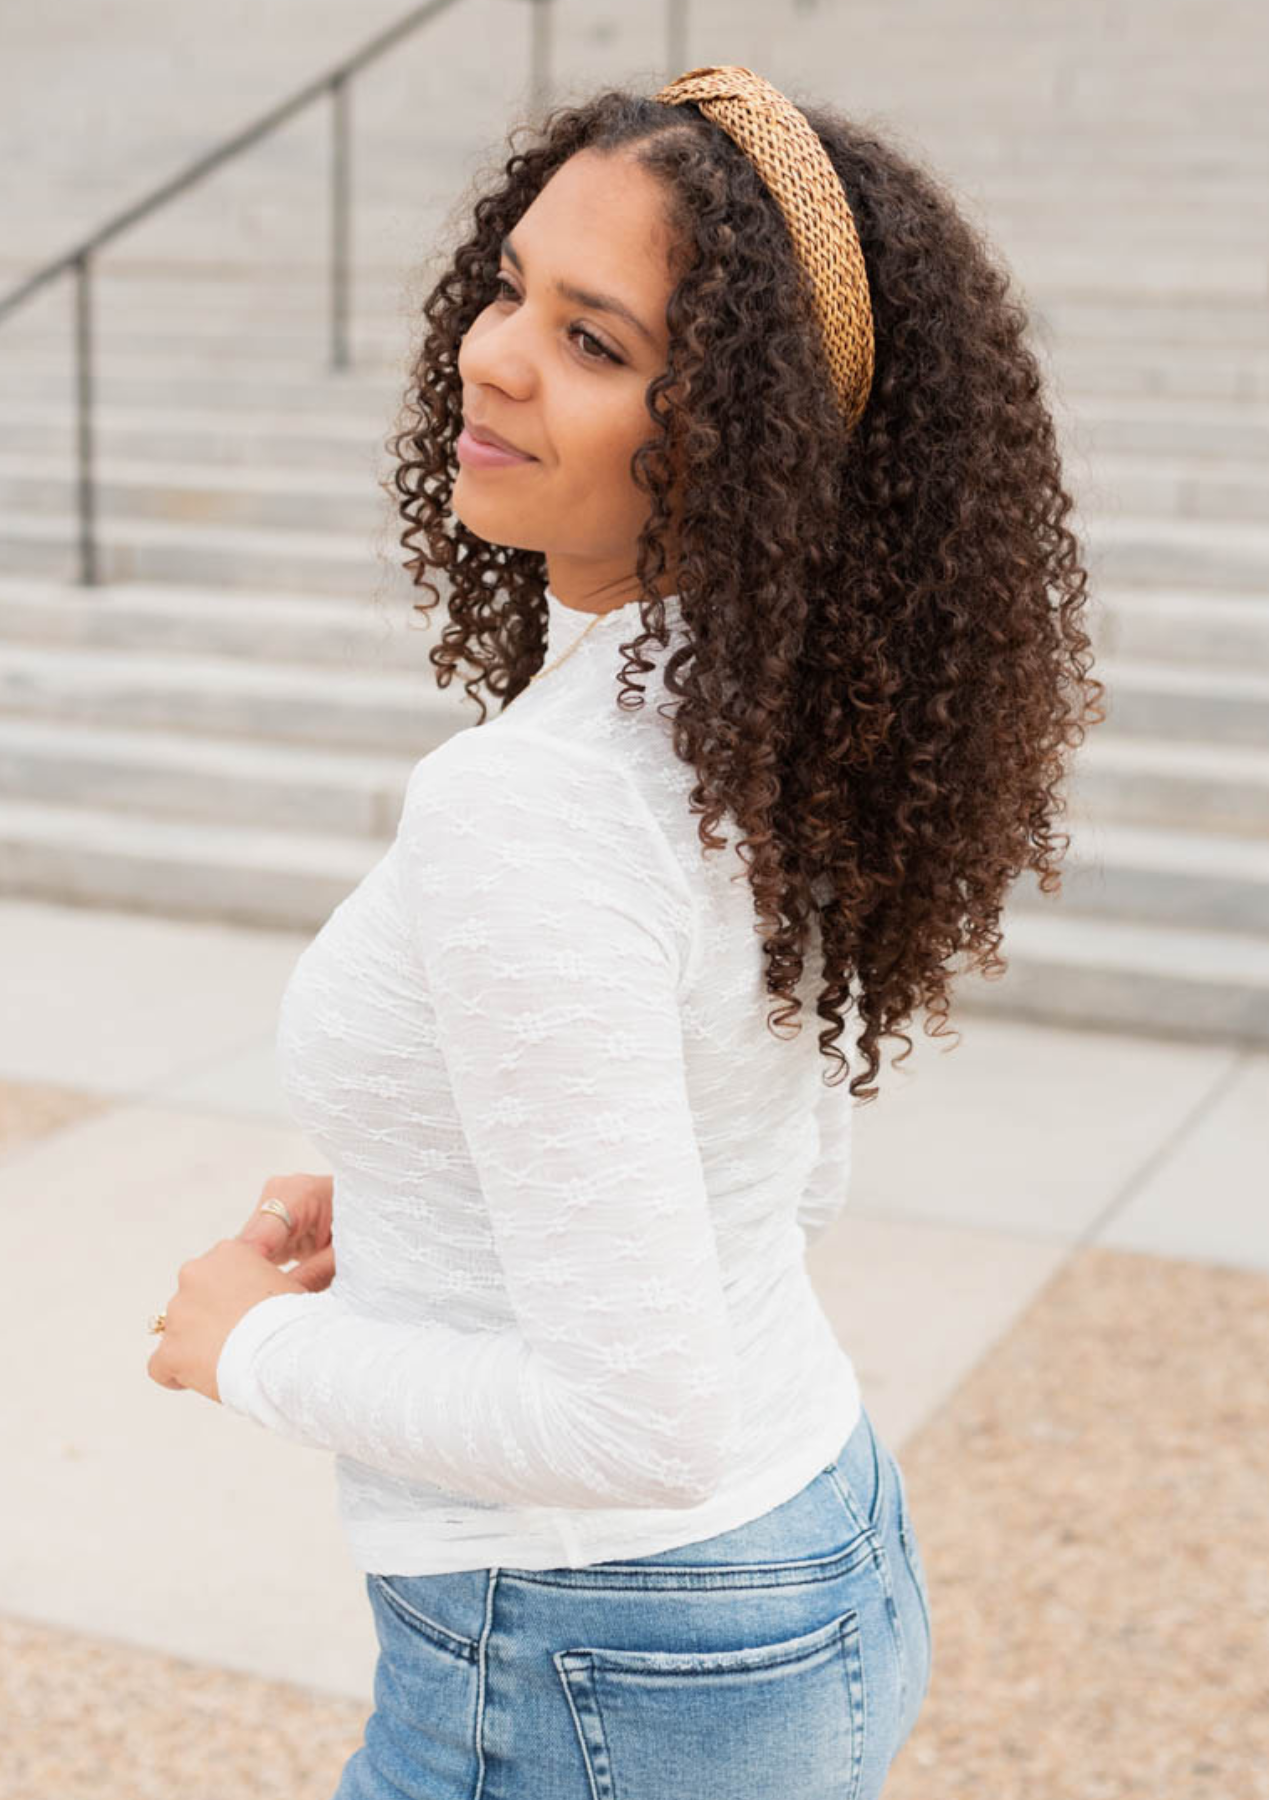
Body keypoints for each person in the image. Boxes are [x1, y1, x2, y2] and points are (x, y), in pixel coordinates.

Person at [146, 64, 1102, 1798]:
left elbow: (637, 1427)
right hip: (808, 1546)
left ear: (742, 438)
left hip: (602, 1652)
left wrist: (250, 1348)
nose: (493, 354)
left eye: (595, 342)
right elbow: (775, 1170)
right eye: (509, 287)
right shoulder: (766, 728)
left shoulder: (537, 802)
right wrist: (443, 1181)